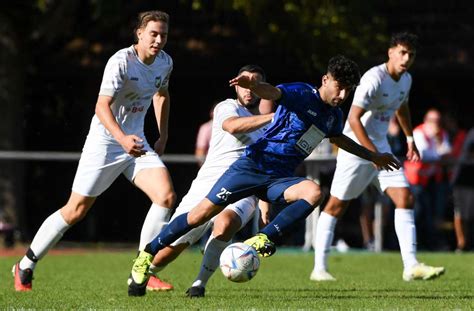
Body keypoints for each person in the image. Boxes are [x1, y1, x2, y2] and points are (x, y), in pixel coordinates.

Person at [127, 55, 401, 297]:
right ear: (325, 79)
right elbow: (271, 92)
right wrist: (253, 85)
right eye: (338, 86)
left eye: (347, 90)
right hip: (252, 167)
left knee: (314, 192)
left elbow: (340, 139)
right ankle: (147, 254)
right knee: (199, 216)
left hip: (278, 179)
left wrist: (373, 156)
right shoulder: (301, 93)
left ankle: (264, 239)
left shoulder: (333, 116)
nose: (342, 94)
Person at [12, 11, 176, 292]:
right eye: (153, 33)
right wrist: (122, 139)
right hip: (105, 143)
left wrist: (163, 135)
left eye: (163, 34)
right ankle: (25, 265)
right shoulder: (121, 61)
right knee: (75, 211)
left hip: (136, 143)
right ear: (139, 33)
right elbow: (101, 107)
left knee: (166, 197)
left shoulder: (165, 62)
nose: (159, 40)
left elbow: (162, 95)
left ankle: (142, 271)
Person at [312, 32, 445, 282]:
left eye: (411, 55)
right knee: (336, 206)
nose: (406, 58)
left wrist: (409, 139)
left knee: (405, 197)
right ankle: (319, 268)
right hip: (356, 149)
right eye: (402, 52)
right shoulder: (373, 78)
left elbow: (402, 106)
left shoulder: (406, 79)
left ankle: (411, 266)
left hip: (381, 149)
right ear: (390, 52)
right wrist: (372, 155)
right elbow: (352, 119)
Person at [141, 64, 274, 298]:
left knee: (225, 223)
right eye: (246, 82)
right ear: (237, 85)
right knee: (171, 250)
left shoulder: (268, 129)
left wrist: (264, 208)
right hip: (206, 186)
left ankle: (199, 284)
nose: (250, 89)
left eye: (256, 83)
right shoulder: (227, 107)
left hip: (243, 190)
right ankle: (145, 272)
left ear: (264, 89)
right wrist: (272, 117)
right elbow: (232, 126)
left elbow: (267, 168)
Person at [407, 108, 452, 250]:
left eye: (438, 121)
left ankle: (429, 243)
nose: (436, 124)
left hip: (433, 180)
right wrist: (439, 154)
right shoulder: (418, 132)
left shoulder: (441, 135)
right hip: (417, 180)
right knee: (417, 212)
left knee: (432, 213)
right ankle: (414, 243)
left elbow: (447, 152)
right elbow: (424, 154)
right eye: (433, 121)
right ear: (426, 121)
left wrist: (437, 141)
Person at [452, 127, 474, 251]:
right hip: (463, 179)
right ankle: (461, 244)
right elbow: (469, 152)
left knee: (469, 214)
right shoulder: (472, 133)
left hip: (470, 180)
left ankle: (467, 243)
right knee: (461, 213)